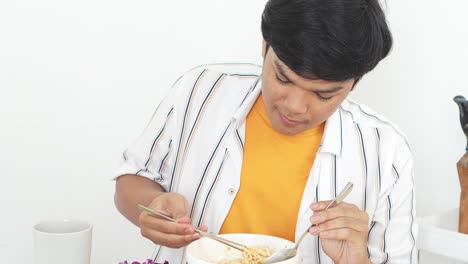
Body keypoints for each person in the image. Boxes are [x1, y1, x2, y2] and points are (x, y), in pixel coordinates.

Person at [114, 0, 417, 263]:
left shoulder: (386, 151)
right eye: (283, 78)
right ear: (264, 46)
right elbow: (131, 180)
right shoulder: (200, 90)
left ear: (355, 83)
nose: (296, 107)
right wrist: (152, 208)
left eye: (323, 95)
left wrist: (355, 260)